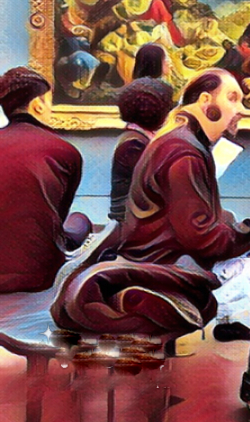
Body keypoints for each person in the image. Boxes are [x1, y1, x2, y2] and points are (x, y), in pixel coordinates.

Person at [118, 69, 250, 422]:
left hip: (167, 260)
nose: (240, 109)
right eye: (232, 98)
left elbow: (194, 221)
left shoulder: (182, 142)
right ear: (205, 101)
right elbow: (202, 239)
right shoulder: (184, 152)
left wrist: (242, 229)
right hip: (169, 273)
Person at [0, 67, 90, 292]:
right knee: (80, 220)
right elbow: (58, 216)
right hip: (37, 275)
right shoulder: (64, 151)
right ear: (38, 105)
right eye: (49, 102)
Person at [109, 77, 174, 222]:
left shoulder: (140, 138)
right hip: (131, 221)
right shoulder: (134, 145)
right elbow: (155, 185)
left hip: (143, 215)